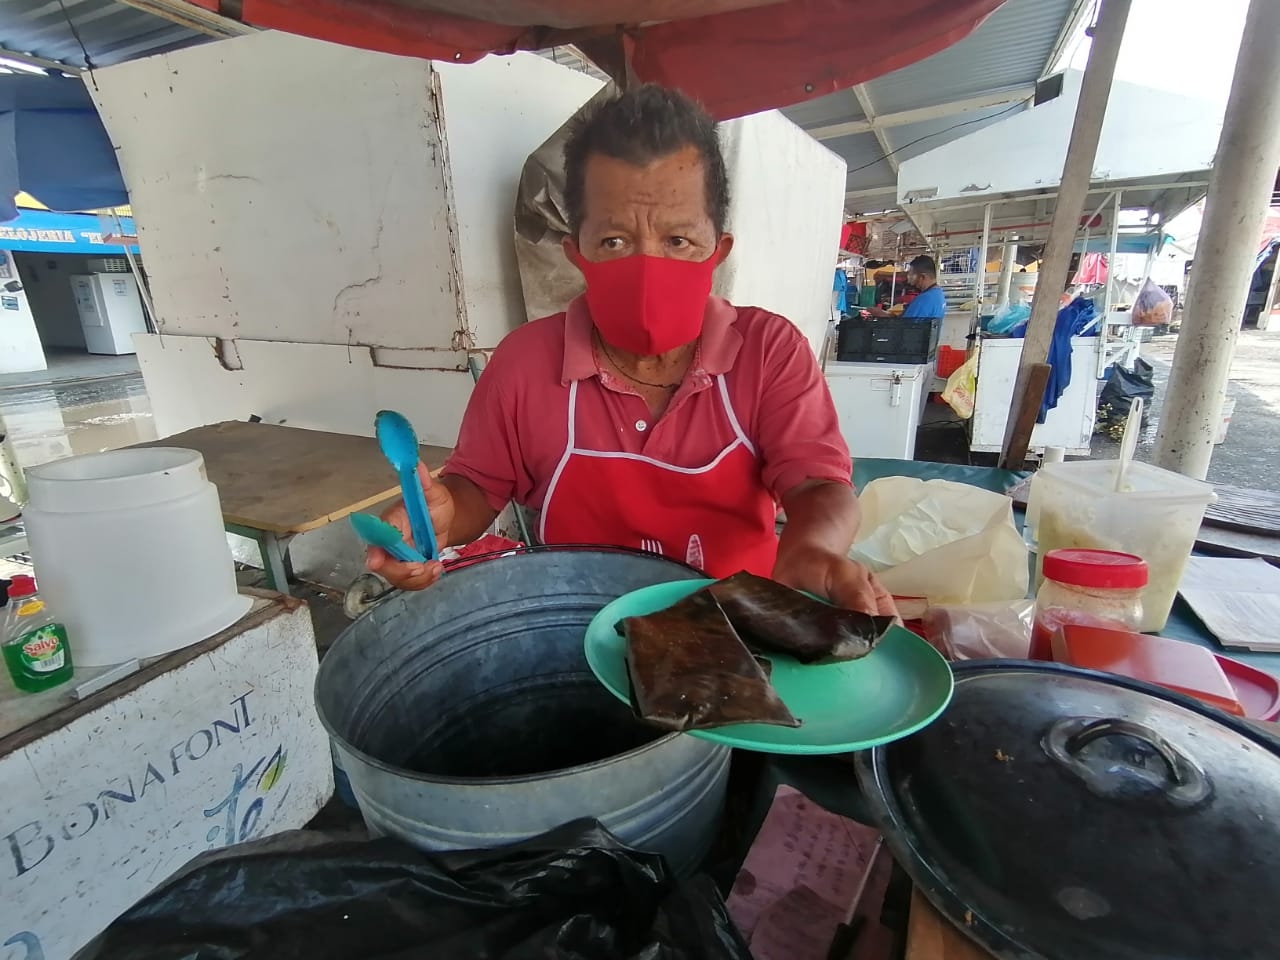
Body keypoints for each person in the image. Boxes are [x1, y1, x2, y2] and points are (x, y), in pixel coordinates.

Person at [368, 84, 895, 616]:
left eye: (678, 241)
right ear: (577, 253)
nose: (648, 268)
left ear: (718, 251)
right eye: (615, 241)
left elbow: (817, 485)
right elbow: (477, 487)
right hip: (572, 637)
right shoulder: (525, 362)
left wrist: (813, 548)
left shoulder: (768, 351)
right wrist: (440, 515)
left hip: (740, 639)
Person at [868, 255, 945, 320]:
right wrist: (885, 314)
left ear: (922, 277)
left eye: (911, 275)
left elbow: (903, 326)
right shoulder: (938, 294)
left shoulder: (925, 299)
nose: (909, 280)